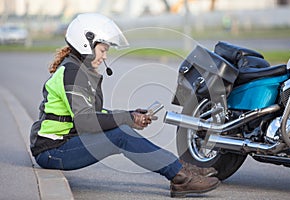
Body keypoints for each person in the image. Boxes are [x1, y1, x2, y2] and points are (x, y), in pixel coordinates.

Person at [30, 13, 220, 198]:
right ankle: (180, 177)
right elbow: (86, 121)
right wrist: (127, 119)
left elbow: (94, 114)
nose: (105, 56)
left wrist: (130, 115)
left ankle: (181, 168)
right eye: (103, 50)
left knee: (121, 130)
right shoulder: (71, 72)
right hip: (52, 151)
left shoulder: (79, 70)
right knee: (119, 136)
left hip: (65, 143)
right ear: (86, 43)